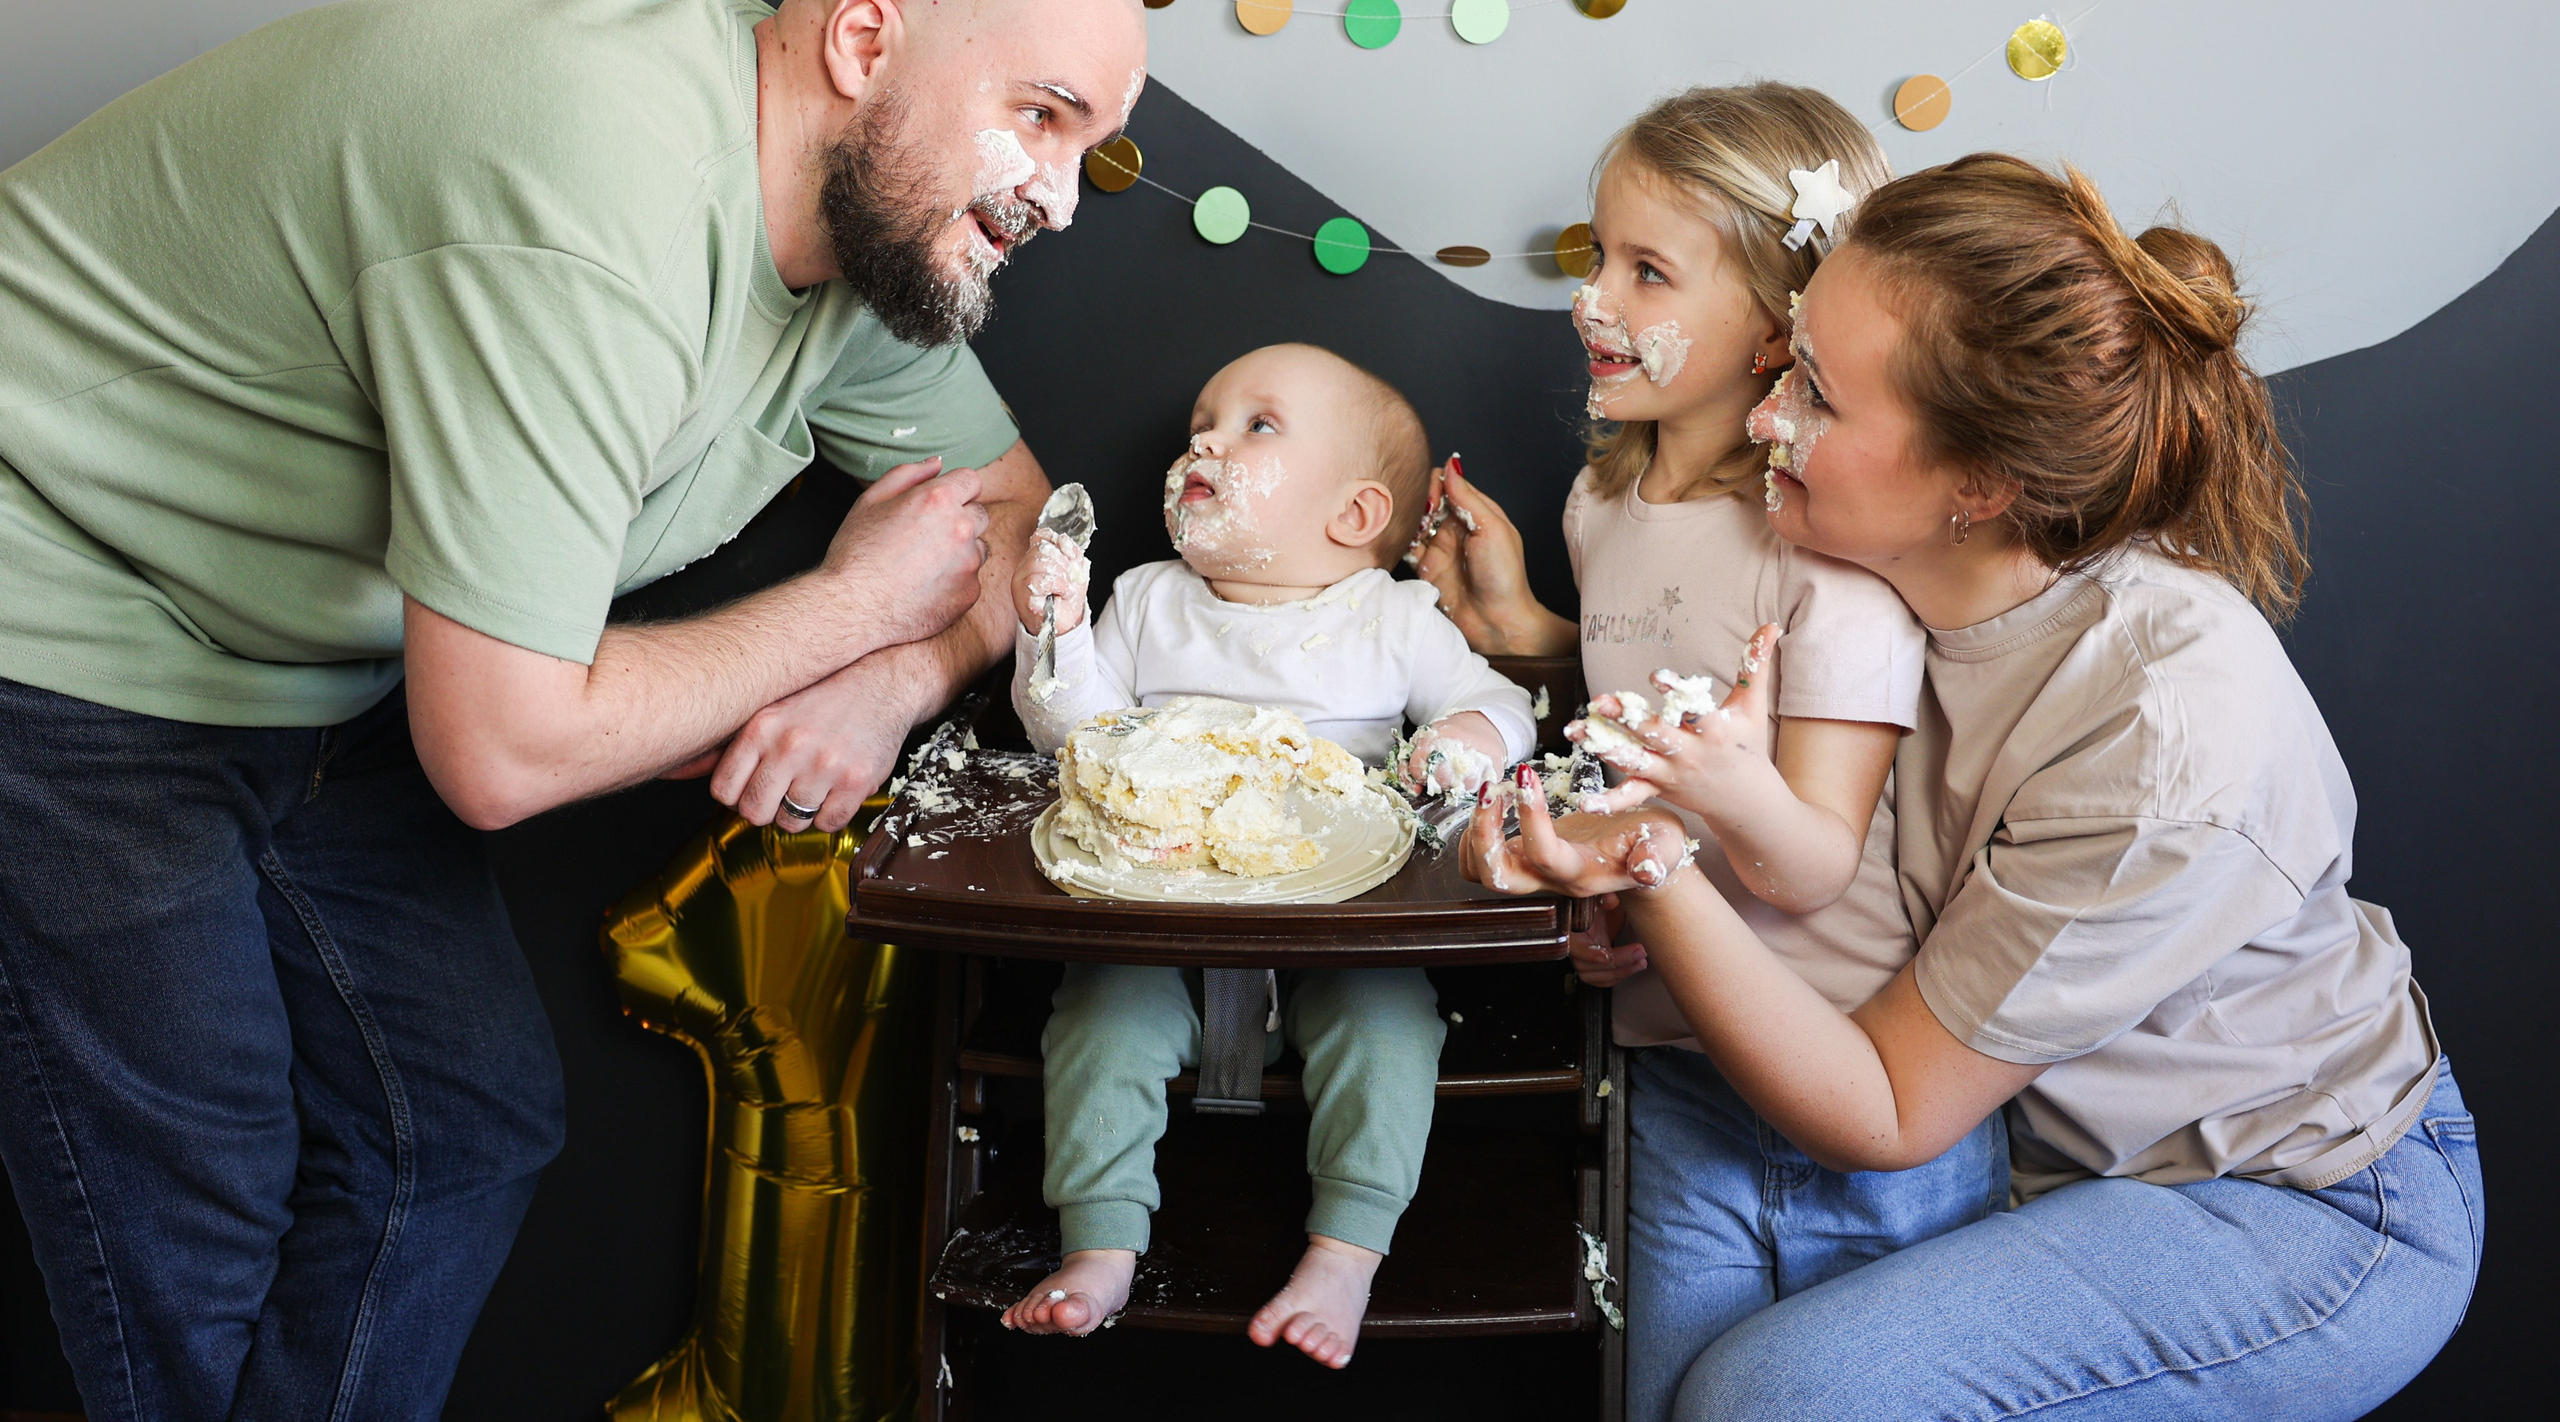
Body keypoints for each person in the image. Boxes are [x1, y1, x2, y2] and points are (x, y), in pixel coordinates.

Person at [0, 0, 1145, 1421]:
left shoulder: (860, 223)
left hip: (310, 663)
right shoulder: (594, 201)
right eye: (1043, 113)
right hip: (60, 613)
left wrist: (890, 683)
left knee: (462, 1125)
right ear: (864, 46)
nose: (1060, 197)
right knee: (197, 1205)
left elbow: (1013, 524)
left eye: (1091, 145)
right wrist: (857, 607)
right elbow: (503, 749)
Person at [1464, 155, 2474, 1418]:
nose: (1765, 417)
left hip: (2286, 1195)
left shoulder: (2161, 730)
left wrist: (1654, 873)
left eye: (1816, 399)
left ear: (1981, 485)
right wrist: (1536, 645)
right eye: (1783, 369)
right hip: (2055, 1154)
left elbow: (1884, 1107)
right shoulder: (1885, 570)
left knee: (1771, 1396)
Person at [1413, 85, 2003, 1421]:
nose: (1592, 301)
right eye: (1595, 256)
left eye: (1648, 271)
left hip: (1855, 1091)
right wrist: (1531, 635)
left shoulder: (1824, 561)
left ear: (1776, 329)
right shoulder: (1602, 499)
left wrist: (1692, 821)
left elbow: (1808, 859)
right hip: (1674, 1071)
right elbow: (1651, 694)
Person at [997, 343, 1535, 1368]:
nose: (1206, 435)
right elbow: (1074, 737)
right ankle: (1100, 1241)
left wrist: (1464, 740)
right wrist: (1055, 638)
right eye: (1204, 417)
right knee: (1096, 1026)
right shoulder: (1151, 600)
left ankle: (1344, 1252)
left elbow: (1500, 704)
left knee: (1391, 1033)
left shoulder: (1393, 618)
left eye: (1258, 424)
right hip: (1159, 934)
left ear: (1355, 516)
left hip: (1342, 940)